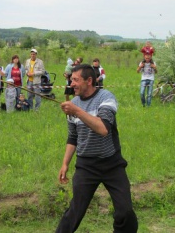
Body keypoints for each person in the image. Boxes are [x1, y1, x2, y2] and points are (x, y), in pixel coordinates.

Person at [56, 64, 138, 233]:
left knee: (125, 211)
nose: (72, 84)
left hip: (112, 164)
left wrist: (77, 111)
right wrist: (65, 164)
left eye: (76, 80)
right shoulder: (74, 103)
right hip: (86, 166)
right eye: (71, 80)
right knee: (74, 212)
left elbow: (102, 129)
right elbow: (73, 137)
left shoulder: (106, 97)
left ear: (89, 81)